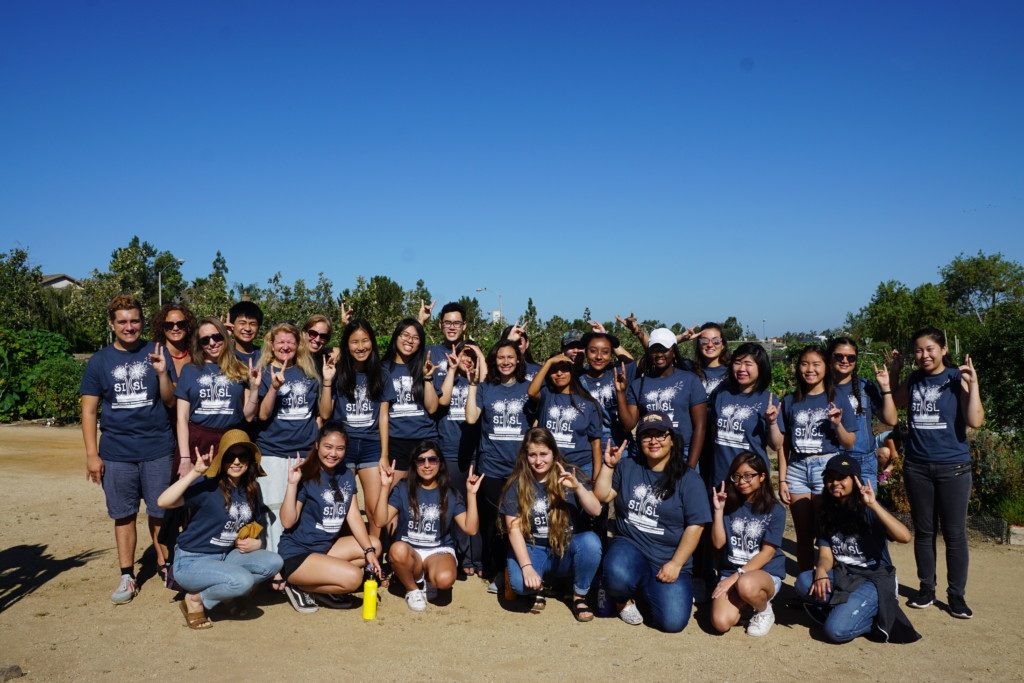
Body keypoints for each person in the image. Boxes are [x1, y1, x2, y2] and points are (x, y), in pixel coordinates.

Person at [80, 294, 176, 604]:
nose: (129, 326)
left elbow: (170, 400)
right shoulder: (99, 361)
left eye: (134, 320)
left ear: (142, 323)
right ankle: (127, 574)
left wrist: (162, 372)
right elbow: (89, 411)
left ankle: (165, 565)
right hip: (116, 452)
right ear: (112, 325)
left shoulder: (157, 352)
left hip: (158, 447)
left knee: (160, 512)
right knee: (124, 515)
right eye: (122, 321)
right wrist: (92, 455)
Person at [891, 327, 983, 618]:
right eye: (918, 350)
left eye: (930, 349)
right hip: (917, 466)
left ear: (943, 349)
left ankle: (956, 596)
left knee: (955, 535)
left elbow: (975, 420)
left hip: (953, 466)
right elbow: (893, 404)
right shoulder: (915, 378)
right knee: (925, 532)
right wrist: (894, 372)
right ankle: (926, 589)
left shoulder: (956, 377)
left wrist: (974, 384)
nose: (924, 355)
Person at [594, 412, 712, 632]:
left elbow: (696, 526)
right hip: (631, 545)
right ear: (639, 442)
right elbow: (602, 496)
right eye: (646, 436)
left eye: (660, 435)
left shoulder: (689, 478)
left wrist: (676, 564)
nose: (653, 441)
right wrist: (608, 466)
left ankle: (643, 587)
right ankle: (622, 599)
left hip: (668, 556)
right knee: (617, 573)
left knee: (672, 622)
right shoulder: (628, 466)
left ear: (672, 439)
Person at [156, 430, 282, 629]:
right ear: (221, 459)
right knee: (243, 581)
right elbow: (163, 502)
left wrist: (257, 542)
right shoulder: (207, 486)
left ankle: (222, 593)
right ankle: (195, 600)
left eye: (243, 457)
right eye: (230, 456)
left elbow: (255, 527)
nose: (236, 461)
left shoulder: (250, 488)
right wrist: (195, 473)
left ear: (250, 461)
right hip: (192, 560)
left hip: (226, 556)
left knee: (274, 562)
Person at [796, 455, 919, 643]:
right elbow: (826, 556)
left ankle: (871, 616)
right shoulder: (826, 512)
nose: (835, 483)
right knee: (804, 582)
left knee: (835, 632)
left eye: (841, 478)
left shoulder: (868, 509)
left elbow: (905, 537)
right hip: (844, 574)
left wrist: (874, 505)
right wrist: (820, 570)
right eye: (830, 478)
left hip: (873, 578)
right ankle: (850, 607)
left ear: (855, 480)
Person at [277, 422, 383, 613]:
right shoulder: (307, 474)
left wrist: (368, 551)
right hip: (298, 554)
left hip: (325, 548)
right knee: (353, 578)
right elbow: (287, 521)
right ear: (317, 445)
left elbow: (354, 517)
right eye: (328, 447)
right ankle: (299, 586)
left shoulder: (346, 475)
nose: (333, 453)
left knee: (374, 545)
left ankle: (319, 581)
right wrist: (292, 484)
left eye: (340, 448)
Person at [500, 428, 603, 621]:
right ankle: (540, 583)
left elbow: (596, 510)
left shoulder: (570, 474)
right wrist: (527, 567)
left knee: (591, 542)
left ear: (554, 453)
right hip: (534, 547)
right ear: (525, 456)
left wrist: (578, 487)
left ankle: (579, 596)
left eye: (543, 454)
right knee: (520, 585)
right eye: (532, 455)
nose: (538, 461)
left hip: (565, 547)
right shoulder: (517, 483)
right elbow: (513, 529)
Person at [374, 441, 482, 611]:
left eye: (432, 460)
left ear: (440, 463)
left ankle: (429, 579)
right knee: (397, 550)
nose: (426, 465)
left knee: (444, 580)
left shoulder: (450, 492)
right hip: (410, 551)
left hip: (437, 550)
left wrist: (472, 494)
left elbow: (471, 529)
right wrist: (385, 486)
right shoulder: (402, 487)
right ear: (414, 464)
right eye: (421, 460)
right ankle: (413, 588)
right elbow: (380, 521)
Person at [777, 345, 857, 572]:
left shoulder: (838, 397)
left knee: (826, 532)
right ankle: (805, 586)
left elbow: (849, 442)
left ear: (826, 367)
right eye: (804, 364)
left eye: (816, 364)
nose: (809, 369)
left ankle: (827, 583)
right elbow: (783, 444)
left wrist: (837, 423)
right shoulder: (791, 400)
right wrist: (783, 479)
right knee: (803, 534)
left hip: (827, 468)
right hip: (797, 469)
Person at [465, 340, 531, 589]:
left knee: (518, 522)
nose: (505, 362)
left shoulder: (528, 388)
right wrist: (472, 385)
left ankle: (514, 568)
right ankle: (496, 571)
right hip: (491, 466)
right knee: (494, 523)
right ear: (494, 362)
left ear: (518, 360)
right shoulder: (485, 388)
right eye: (500, 358)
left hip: (520, 468)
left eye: (510, 357)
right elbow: (471, 417)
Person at [255, 322, 321, 554]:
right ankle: (274, 562)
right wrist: (273, 388)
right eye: (280, 342)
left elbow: (317, 414)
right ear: (271, 345)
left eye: (290, 342)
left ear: (298, 345)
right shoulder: (263, 372)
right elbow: (262, 415)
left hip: (304, 453)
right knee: (273, 510)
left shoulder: (309, 373)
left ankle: (298, 559)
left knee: (302, 508)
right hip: (273, 452)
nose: (285, 346)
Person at [319, 319, 388, 537]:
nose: (360, 347)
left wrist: (384, 454)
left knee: (374, 507)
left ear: (372, 343)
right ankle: (350, 556)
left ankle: (374, 559)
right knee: (343, 506)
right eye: (354, 342)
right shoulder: (336, 371)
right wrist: (328, 381)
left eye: (365, 341)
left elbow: (384, 417)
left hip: (372, 446)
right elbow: (325, 413)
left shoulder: (382, 373)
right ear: (347, 345)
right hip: (343, 448)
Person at [709, 452, 787, 636]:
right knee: (720, 623)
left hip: (762, 576)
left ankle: (763, 610)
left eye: (748, 475)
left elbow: (767, 554)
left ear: (762, 476)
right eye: (736, 476)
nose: (741, 481)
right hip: (732, 573)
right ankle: (745, 606)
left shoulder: (775, 511)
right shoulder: (729, 504)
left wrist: (736, 577)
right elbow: (718, 543)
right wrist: (718, 512)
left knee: (746, 584)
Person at [174, 317, 260, 479]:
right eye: (205, 340)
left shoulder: (240, 367)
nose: (212, 343)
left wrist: (254, 389)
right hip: (198, 443)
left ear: (225, 337)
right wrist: (185, 458)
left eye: (217, 337)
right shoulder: (189, 370)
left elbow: (248, 416)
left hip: (230, 442)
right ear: (199, 344)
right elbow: (182, 418)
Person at [618, 327, 708, 469]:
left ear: (673, 352)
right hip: (650, 452)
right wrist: (620, 393)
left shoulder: (690, 380)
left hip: (682, 452)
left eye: (664, 349)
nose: (659, 354)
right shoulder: (638, 384)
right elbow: (628, 425)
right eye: (654, 350)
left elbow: (700, 426)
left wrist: (690, 466)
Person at [437, 340, 485, 574]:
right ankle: (458, 555)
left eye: (473, 356)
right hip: (448, 451)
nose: (468, 359)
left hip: (473, 452)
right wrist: (453, 369)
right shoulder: (448, 379)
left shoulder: (480, 384)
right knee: (452, 504)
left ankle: (473, 558)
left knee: (471, 505)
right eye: (465, 354)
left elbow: (485, 378)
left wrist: (480, 356)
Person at [707, 342, 783, 490]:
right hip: (721, 477)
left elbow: (777, 445)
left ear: (760, 368)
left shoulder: (768, 399)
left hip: (750, 479)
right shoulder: (722, 394)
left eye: (748, 364)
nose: (742, 369)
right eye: (737, 363)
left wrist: (772, 423)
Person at [827, 337, 897, 484]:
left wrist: (885, 387)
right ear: (830, 357)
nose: (845, 361)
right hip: (831, 458)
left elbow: (890, 420)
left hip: (864, 460)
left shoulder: (865, 386)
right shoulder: (820, 389)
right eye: (839, 356)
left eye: (851, 357)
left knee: (866, 505)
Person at [528, 353, 603, 479]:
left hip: (580, 468)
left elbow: (596, 443)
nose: (559, 374)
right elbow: (532, 392)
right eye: (554, 370)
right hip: (549, 467)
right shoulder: (547, 395)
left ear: (572, 372)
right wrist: (549, 362)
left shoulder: (589, 403)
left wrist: (596, 478)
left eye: (564, 369)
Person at [381, 318, 440, 478]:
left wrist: (427, 378)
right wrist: (384, 454)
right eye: (405, 335)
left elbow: (433, 408)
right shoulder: (383, 369)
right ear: (396, 337)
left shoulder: (425, 366)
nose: (409, 340)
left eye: (415, 337)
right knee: (392, 496)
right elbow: (383, 414)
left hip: (425, 441)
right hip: (396, 442)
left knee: (425, 497)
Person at [578, 323, 635, 448]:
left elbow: (631, 361)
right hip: (589, 445)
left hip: (619, 444)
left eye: (605, 352)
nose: (599, 357)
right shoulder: (578, 378)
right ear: (586, 353)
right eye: (593, 351)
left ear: (611, 355)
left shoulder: (616, 373)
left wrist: (606, 337)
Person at [425, 301, 468, 385]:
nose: (452, 327)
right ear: (441, 325)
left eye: (457, 323)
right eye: (447, 323)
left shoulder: (471, 354)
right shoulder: (430, 353)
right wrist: (421, 320)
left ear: (464, 326)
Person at [152, 303, 196, 379]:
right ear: (162, 327)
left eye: (181, 324)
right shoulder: (155, 357)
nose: (175, 328)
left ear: (188, 326)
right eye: (169, 325)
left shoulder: (196, 355)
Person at [692, 322, 731, 395]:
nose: (710, 345)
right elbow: (667, 349)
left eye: (716, 341)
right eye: (704, 341)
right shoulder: (690, 368)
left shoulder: (732, 371)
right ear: (699, 344)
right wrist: (682, 338)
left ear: (723, 345)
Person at [227, 301, 264, 367]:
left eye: (253, 324)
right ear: (232, 325)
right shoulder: (223, 353)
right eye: (242, 323)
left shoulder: (265, 356)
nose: (247, 329)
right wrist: (221, 336)